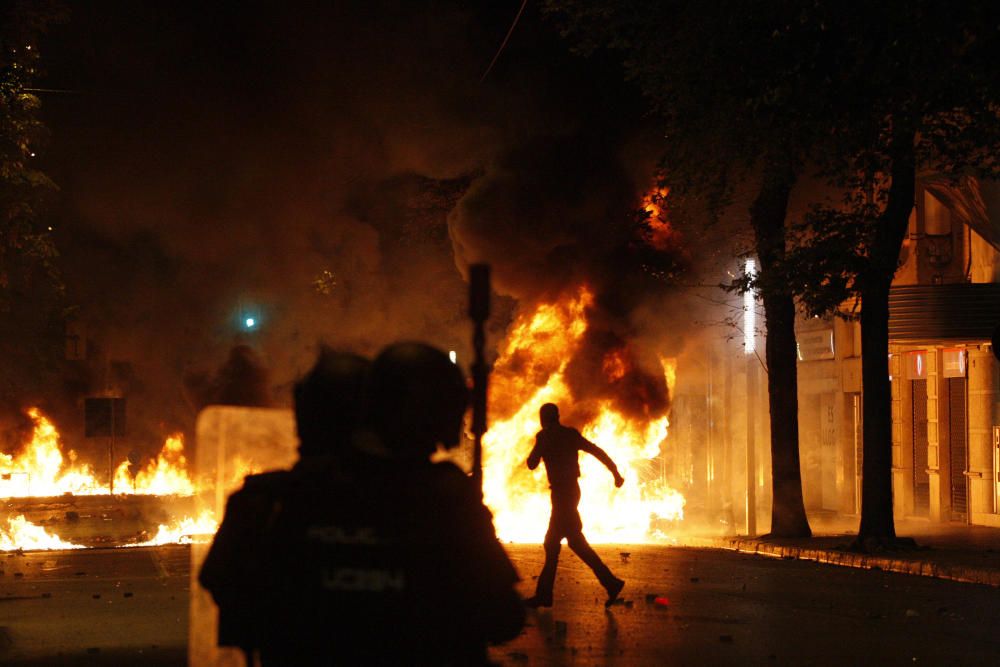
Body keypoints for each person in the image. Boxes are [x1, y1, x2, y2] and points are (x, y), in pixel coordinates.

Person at [255, 342, 525, 666]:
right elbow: (503, 617)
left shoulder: (288, 494)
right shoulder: (444, 497)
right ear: (429, 412)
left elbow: (249, 611)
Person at [199, 348, 370, 661]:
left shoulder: (261, 503)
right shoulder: (430, 501)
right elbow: (487, 603)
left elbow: (217, 579)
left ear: (303, 421)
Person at [524, 402, 626, 609]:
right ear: (558, 416)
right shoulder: (569, 435)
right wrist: (615, 472)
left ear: (544, 419)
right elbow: (597, 451)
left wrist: (541, 446)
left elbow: (531, 463)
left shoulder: (544, 437)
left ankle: (545, 595)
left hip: (563, 495)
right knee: (572, 543)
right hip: (570, 492)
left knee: (553, 543)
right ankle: (611, 583)